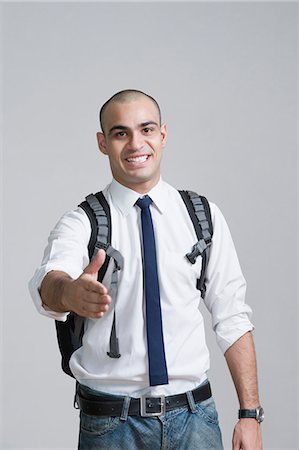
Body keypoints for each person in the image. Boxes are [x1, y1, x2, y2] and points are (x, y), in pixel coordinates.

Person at [29, 89, 263, 450]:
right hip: (110, 426)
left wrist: (249, 415)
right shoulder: (83, 221)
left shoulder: (202, 216)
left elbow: (232, 317)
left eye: (146, 129)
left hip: (195, 420)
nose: (136, 143)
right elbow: (48, 283)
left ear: (163, 135)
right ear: (102, 143)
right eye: (120, 133)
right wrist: (69, 292)